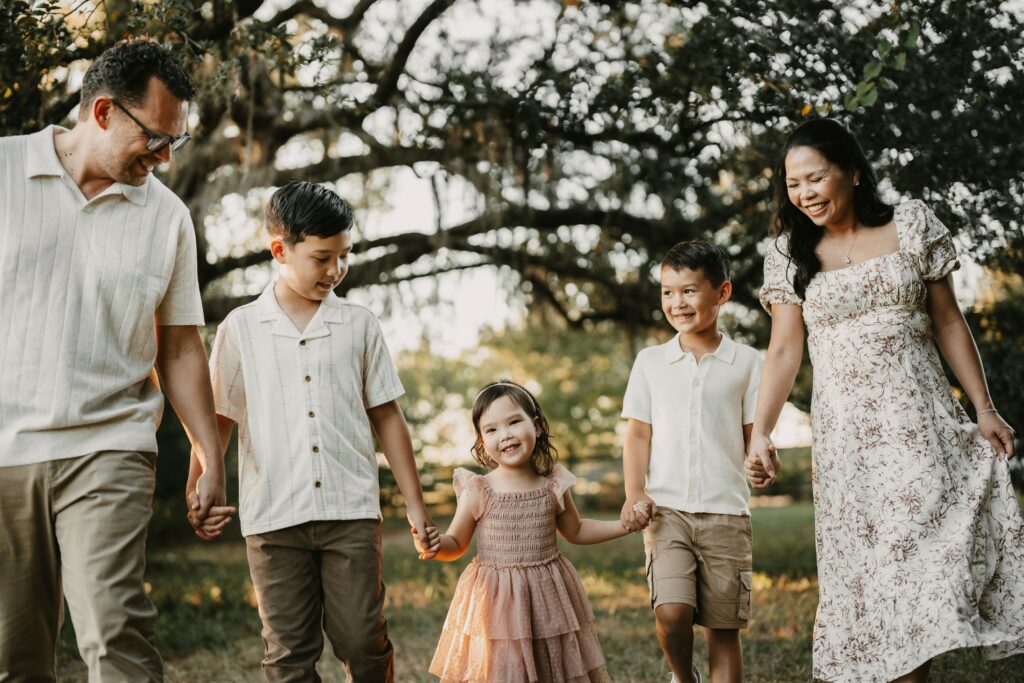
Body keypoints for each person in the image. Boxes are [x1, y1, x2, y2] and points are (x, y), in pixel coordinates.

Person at [747, 117, 1024, 682]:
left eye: (815, 178)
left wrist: (984, 407)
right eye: (792, 184)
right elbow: (782, 353)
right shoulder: (787, 254)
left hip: (921, 432)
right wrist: (760, 430)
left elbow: (948, 320)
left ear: (852, 171)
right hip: (848, 447)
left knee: (914, 569)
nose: (803, 194)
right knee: (877, 580)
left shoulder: (911, 224)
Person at [0, 39, 228, 681]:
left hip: (110, 444)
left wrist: (210, 455)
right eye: (156, 139)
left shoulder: (167, 218)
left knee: (115, 632)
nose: (164, 159)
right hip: (3, 450)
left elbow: (180, 344)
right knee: (13, 658)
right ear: (102, 112)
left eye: (175, 143)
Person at [192, 180, 439, 681]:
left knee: (361, 640)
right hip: (273, 517)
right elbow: (218, 415)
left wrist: (415, 504)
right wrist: (199, 480)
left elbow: (387, 416)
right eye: (323, 257)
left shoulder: (359, 325)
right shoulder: (240, 328)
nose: (336, 269)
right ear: (280, 250)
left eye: (344, 255)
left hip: (349, 510)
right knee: (288, 651)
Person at [619, 240, 766, 683]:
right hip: (667, 511)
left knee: (723, 632)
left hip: (727, 513)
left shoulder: (747, 361)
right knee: (671, 612)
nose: (676, 302)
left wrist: (760, 462)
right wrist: (633, 492)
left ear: (721, 293)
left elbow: (752, 437)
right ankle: (684, 678)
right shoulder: (650, 362)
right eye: (667, 292)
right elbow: (638, 433)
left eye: (688, 290)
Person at [417, 379, 628, 682]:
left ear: (538, 426)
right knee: (504, 670)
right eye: (491, 429)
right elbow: (457, 543)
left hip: (547, 597)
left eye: (514, 422)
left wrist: (624, 525)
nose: (505, 435)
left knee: (551, 666)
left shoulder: (553, 484)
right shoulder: (479, 489)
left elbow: (577, 530)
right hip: (496, 602)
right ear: (481, 443)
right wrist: (435, 546)